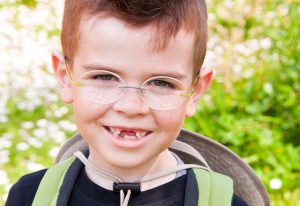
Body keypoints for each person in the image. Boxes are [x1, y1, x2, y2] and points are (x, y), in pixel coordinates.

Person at [6, 0, 249, 205]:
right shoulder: (29, 196)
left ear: (195, 90)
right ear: (65, 77)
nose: (131, 107)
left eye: (161, 83)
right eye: (104, 77)